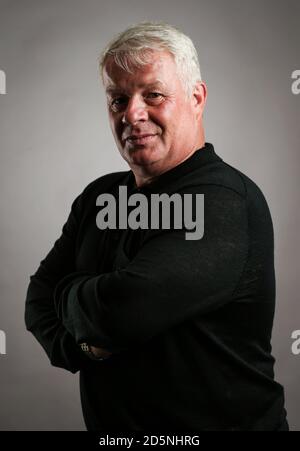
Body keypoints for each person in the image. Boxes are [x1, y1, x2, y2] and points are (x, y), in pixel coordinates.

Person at [25, 22, 289, 431]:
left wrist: (72, 293)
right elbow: (37, 300)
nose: (133, 113)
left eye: (153, 94)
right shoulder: (100, 197)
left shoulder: (223, 202)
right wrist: (85, 349)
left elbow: (120, 312)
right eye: (118, 99)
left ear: (196, 98)